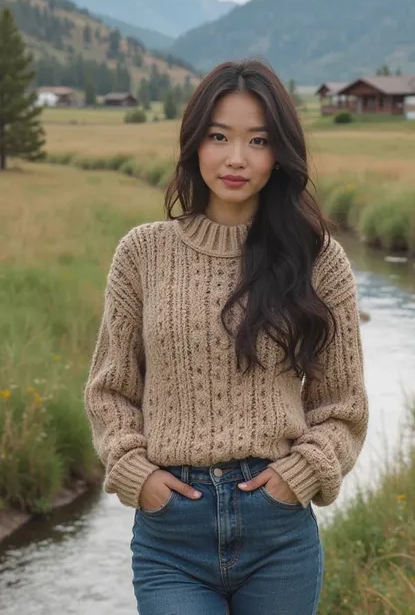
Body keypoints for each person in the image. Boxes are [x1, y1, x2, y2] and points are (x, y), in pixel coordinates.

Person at [84, 58, 369, 615]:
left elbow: (343, 404)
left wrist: (300, 474)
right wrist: (135, 473)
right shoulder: (143, 253)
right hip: (172, 533)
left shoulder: (318, 261)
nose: (236, 158)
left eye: (258, 140)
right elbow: (111, 389)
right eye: (219, 136)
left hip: (278, 532)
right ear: (194, 143)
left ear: (279, 153)